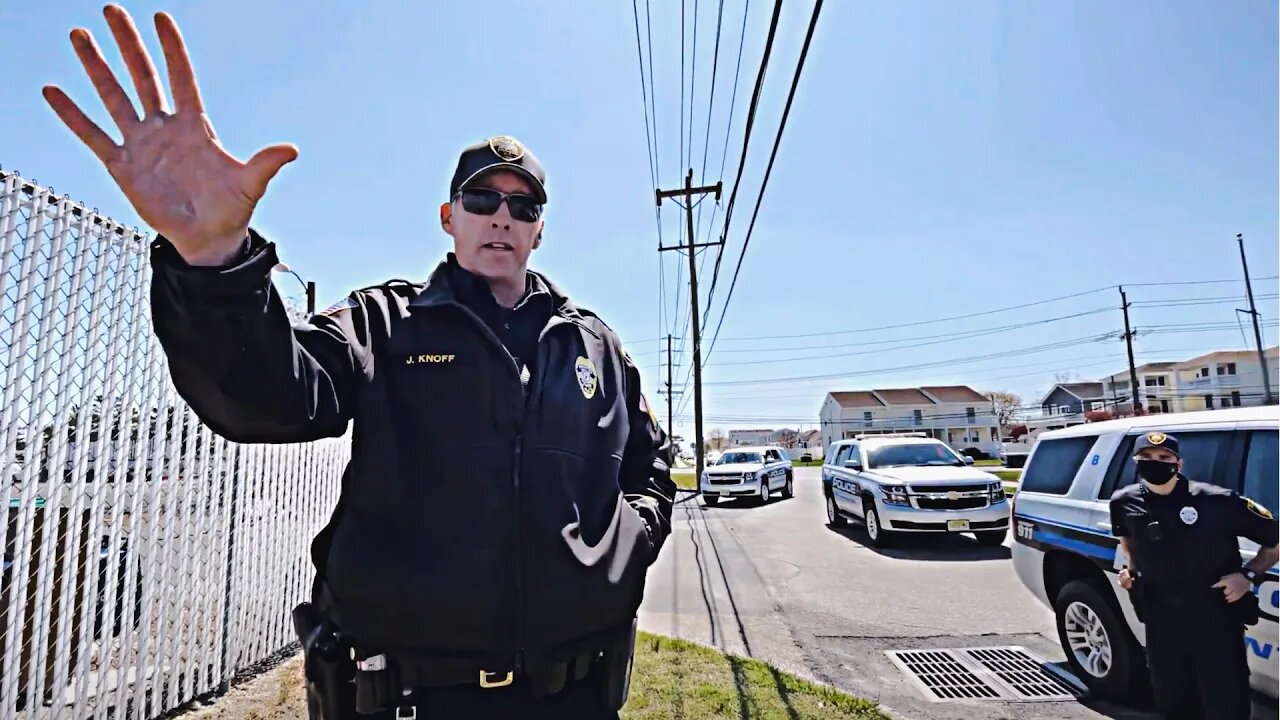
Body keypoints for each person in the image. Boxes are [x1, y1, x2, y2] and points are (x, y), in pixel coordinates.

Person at [42, 6, 675, 719]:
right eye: (482, 199)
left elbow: (647, 467)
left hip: (574, 698)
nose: (502, 216)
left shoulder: (592, 345)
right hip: (406, 701)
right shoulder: (384, 322)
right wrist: (215, 265)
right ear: (449, 217)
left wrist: (635, 536)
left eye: (523, 207)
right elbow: (268, 396)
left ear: (538, 229)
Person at [1110, 430, 1279, 720]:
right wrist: (1131, 573)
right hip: (1161, 622)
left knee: (1226, 704)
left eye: (1165, 457)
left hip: (1215, 619)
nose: (1156, 463)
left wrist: (1248, 576)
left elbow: (1275, 541)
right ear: (1137, 462)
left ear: (1179, 464)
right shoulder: (1123, 502)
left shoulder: (1217, 500)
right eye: (1147, 457)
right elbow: (1128, 544)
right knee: (1173, 703)